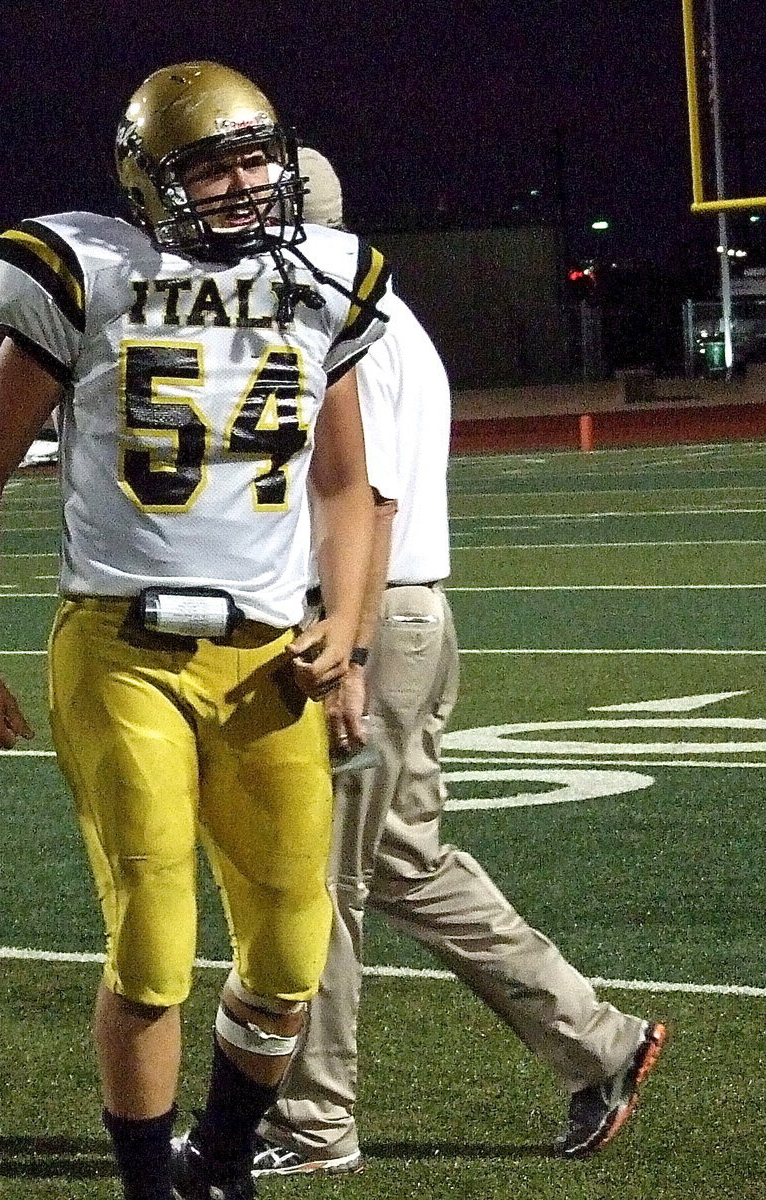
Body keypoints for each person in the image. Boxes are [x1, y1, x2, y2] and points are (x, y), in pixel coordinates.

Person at [0, 63, 393, 1200]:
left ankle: (222, 1163)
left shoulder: (324, 280)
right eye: (210, 164)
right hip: (121, 644)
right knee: (151, 936)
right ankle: (147, 1183)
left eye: (256, 158)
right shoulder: (90, 270)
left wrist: (346, 623)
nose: (244, 184)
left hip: (264, 661)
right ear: (152, 181)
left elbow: (345, 486)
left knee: (290, 956)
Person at [253, 150, 666, 1175]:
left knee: (318, 884)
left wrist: (339, 647)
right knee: (400, 863)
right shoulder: (385, 303)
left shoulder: (324, 310)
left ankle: (313, 1125)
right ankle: (597, 1043)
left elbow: (371, 500)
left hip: (363, 621)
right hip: (408, 618)